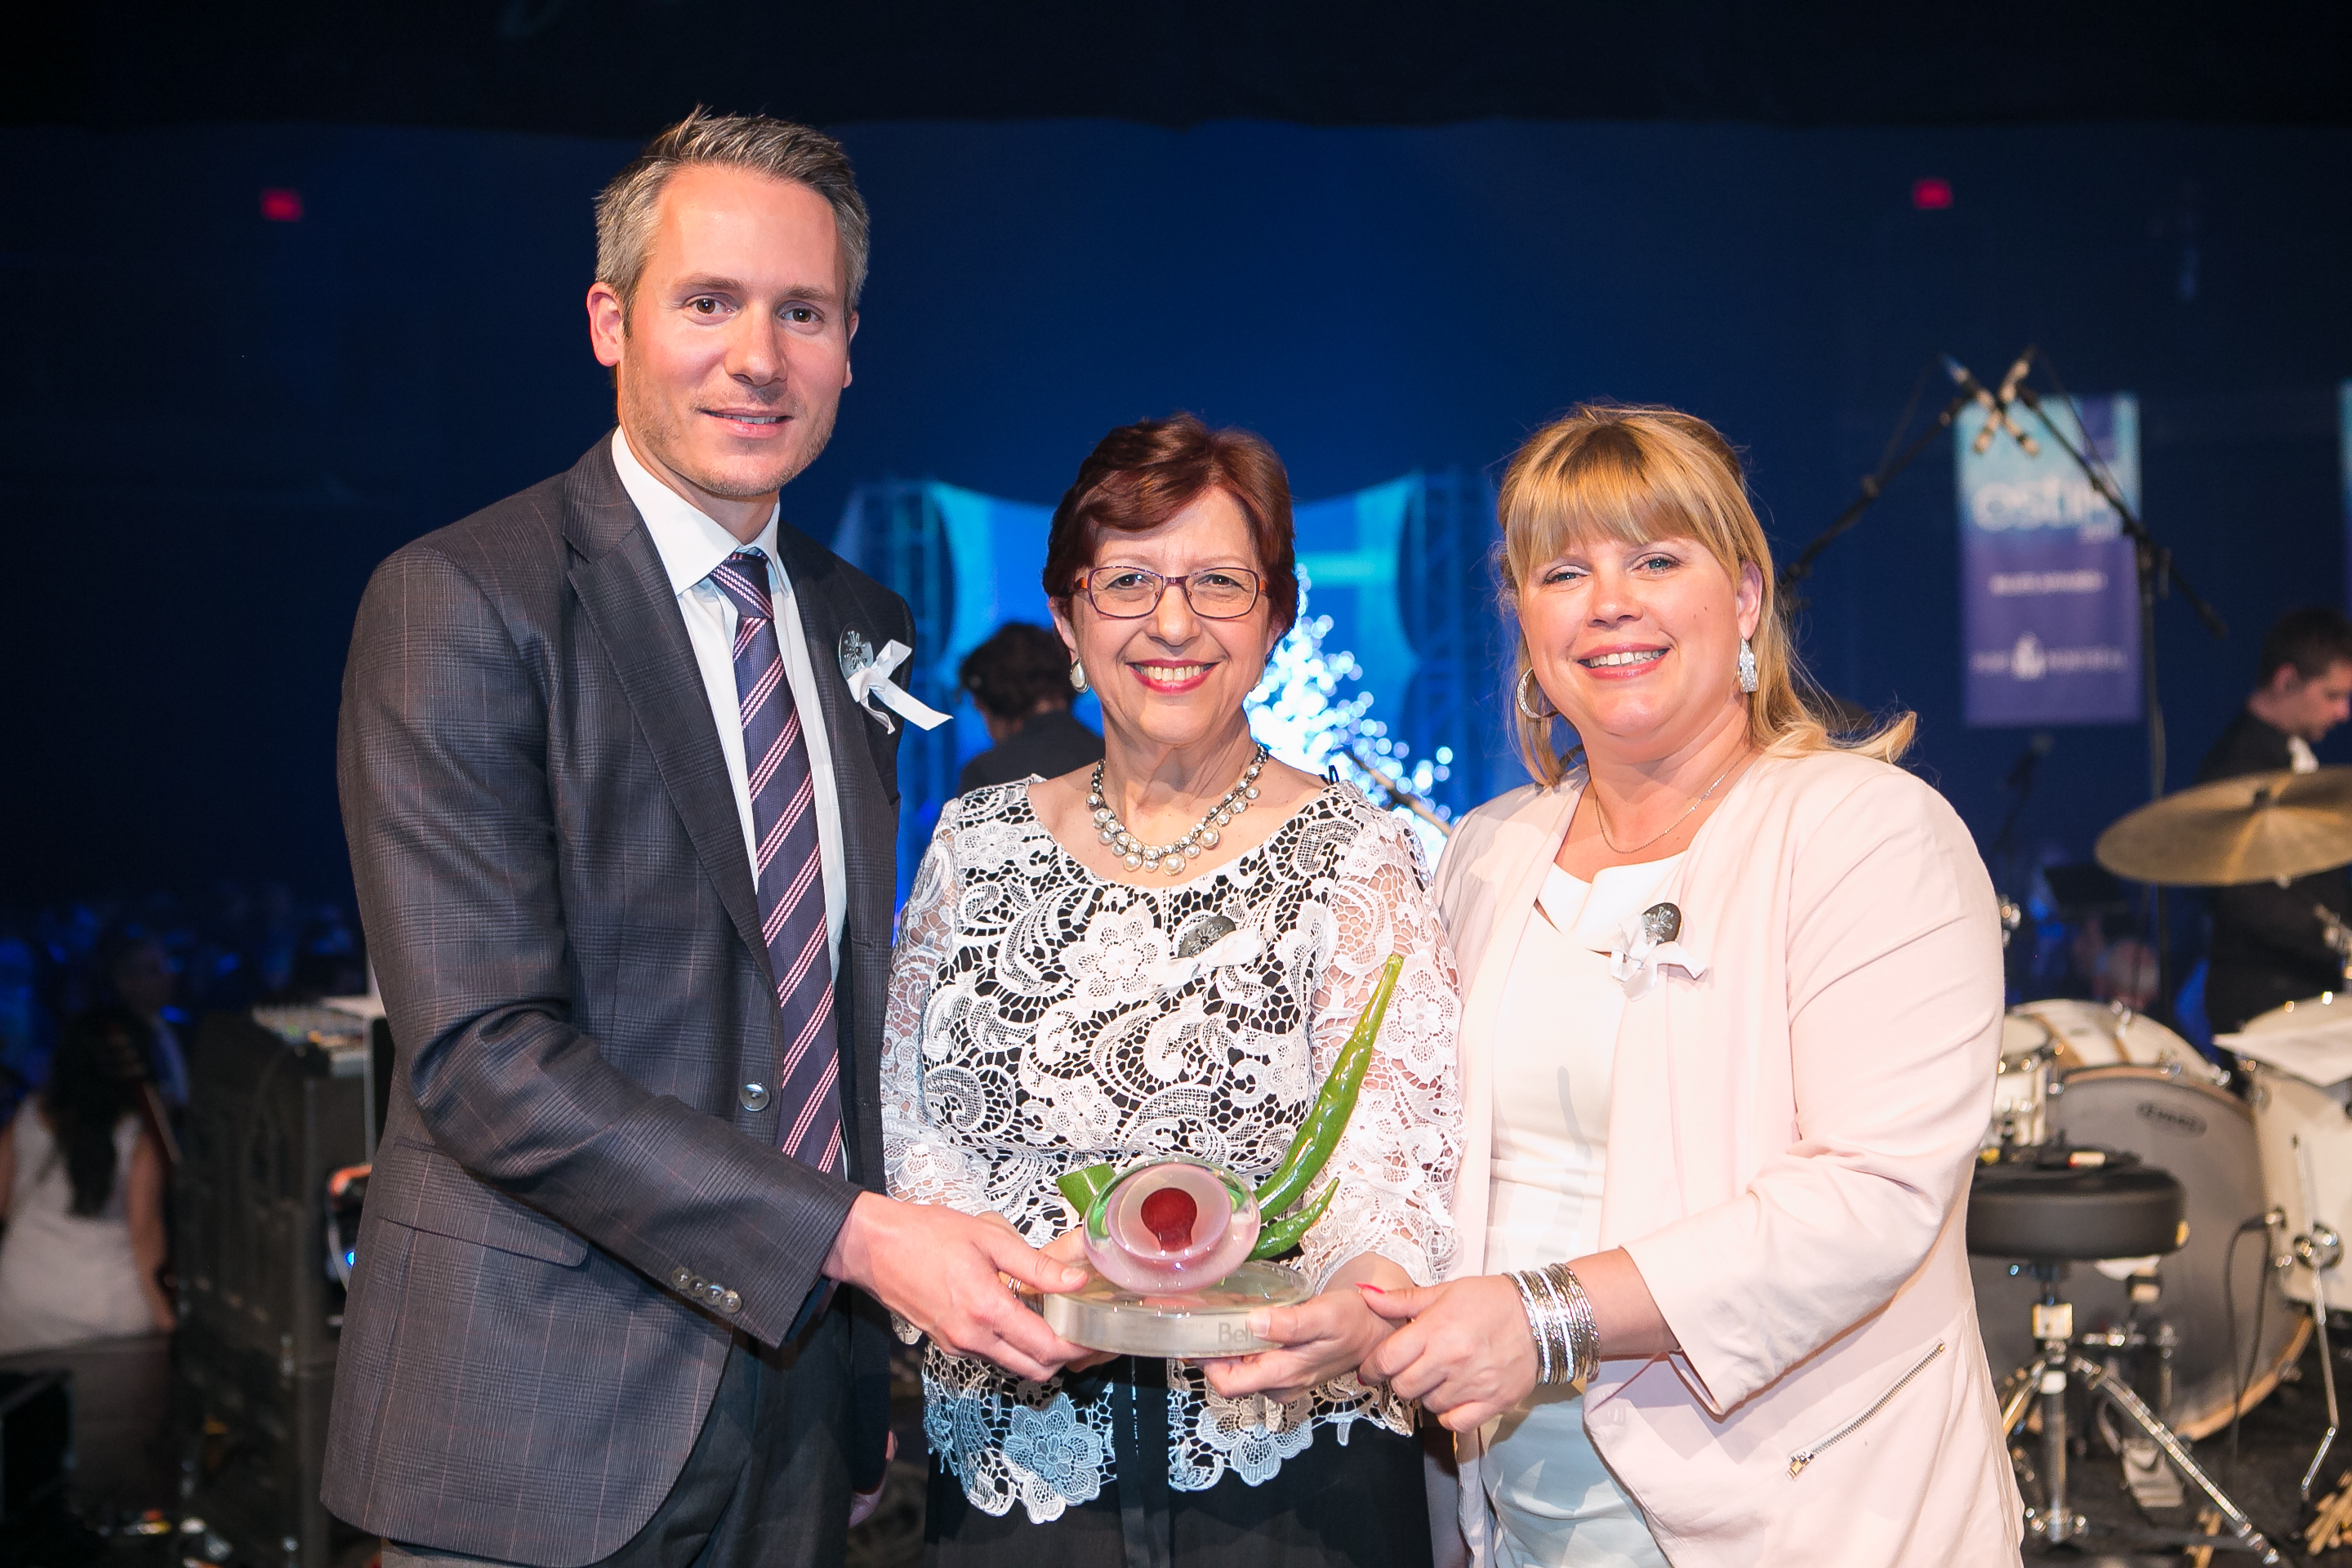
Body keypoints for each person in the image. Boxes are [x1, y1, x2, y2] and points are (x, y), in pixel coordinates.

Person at [327, 111, 1091, 1568]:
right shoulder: (463, 600)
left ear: (851, 346)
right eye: (708, 303)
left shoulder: (860, 617)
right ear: (610, 322)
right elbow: (483, 1059)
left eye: (803, 312)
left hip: (799, 1410)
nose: (759, 357)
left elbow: (830, 1014)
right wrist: (854, 1238)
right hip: (535, 1415)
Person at [1360, 404, 2018, 1566]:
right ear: (1525, 620)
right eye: (1564, 572)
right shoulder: (1488, 849)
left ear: (1747, 598)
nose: (1610, 602)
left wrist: (1547, 1318)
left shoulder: (1869, 832)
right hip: (1524, 1514)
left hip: (1809, 1516)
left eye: (1657, 560)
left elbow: (1870, 1197)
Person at [883, 413, 1463, 1567]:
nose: (1174, 622)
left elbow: (1394, 1165)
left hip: (1291, 1474)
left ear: (1277, 615)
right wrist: (1021, 1281)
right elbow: (912, 1122)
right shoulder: (974, 844)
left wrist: (1354, 1304)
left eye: (1219, 583)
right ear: (1068, 615)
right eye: (1129, 581)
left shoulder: (1356, 854)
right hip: (1019, 1466)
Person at [2194, 606, 2352, 1032]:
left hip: (2310, 989)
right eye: (2332, 696)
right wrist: (2335, 939)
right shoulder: (2235, 772)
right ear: (2286, 681)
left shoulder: (2292, 754)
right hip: (2265, 999)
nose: (2343, 712)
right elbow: (2242, 895)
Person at [0, 1006, 176, 1353]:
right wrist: (168, 1320)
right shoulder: (138, 1137)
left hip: (23, 1300)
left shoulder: (28, 1116)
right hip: (107, 1310)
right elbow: (145, 1234)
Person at [956, 621, 1105, 792]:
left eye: (980, 709)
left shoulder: (986, 774)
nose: (988, 730)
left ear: (996, 700)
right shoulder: (1111, 756)